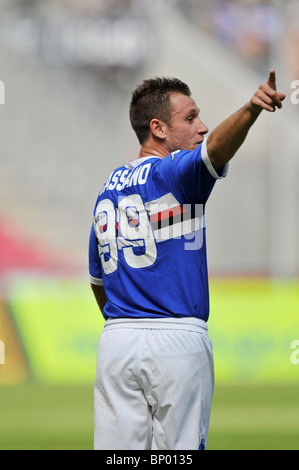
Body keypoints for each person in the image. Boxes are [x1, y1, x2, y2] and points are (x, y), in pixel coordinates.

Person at [88, 70, 285, 450]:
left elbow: (99, 281)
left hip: (116, 342)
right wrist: (251, 108)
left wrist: (129, 320)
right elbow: (214, 149)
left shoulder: (106, 191)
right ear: (158, 128)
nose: (202, 126)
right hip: (176, 341)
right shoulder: (175, 173)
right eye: (191, 118)